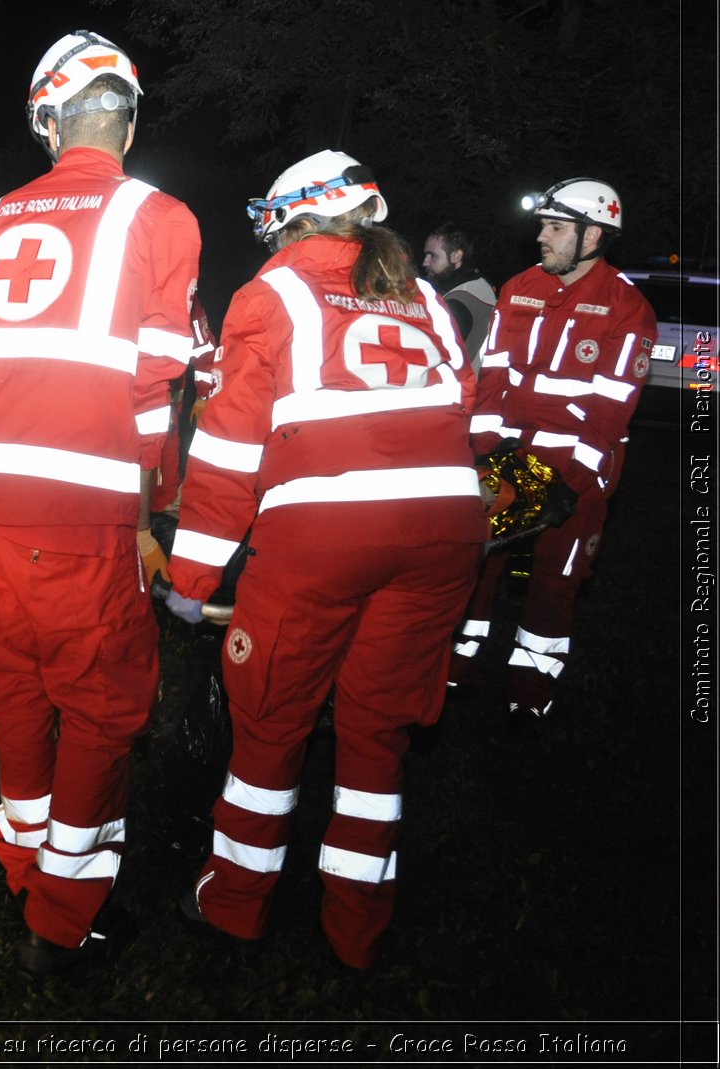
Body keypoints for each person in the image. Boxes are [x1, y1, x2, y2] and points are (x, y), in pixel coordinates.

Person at [165, 150, 486, 971]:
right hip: (446, 531)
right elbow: (463, 412)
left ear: (293, 218)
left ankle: (235, 902)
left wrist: (193, 578)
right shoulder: (427, 298)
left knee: (270, 722)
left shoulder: (272, 292)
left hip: (326, 536)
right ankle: (356, 925)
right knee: (377, 733)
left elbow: (230, 450)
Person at [0, 30, 209, 973]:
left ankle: (20, 853)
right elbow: (159, 376)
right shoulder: (159, 214)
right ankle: (63, 912)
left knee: (10, 681)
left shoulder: (2, 212)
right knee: (101, 706)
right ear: (127, 117)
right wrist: (143, 511)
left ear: (49, 118)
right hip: (79, 505)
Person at [448, 179, 656, 720]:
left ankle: (530, 687)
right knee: (477, 563)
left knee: (554, 579)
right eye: (544, 225)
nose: (541, 236)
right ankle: (457, 662)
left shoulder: (626, 308)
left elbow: (613, 409)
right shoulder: (518, 287)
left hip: (573, 468)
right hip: (509, 455)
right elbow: (492, 375)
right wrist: (484, 450)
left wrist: (573, 483)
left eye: (555, 228)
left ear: (593, 236)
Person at [421, 222, 495, 369]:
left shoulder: (459, 301)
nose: (425, 262)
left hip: (461, 387)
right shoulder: (478, 285)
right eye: (426, 255)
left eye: (433, 255)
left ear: (456, 256)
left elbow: (434, 358)